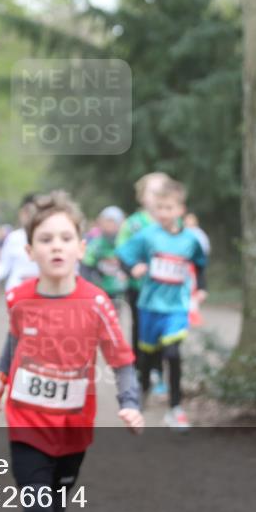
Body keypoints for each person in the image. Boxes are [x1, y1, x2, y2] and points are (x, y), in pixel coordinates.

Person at [0, 191, 144, 512]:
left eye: (66, 238)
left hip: (73, 428)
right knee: (35, 506)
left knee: (52, 508)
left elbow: (121, 360)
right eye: (46, 239)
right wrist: (0, 378)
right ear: (29, 249)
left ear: (81, 248)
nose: (57, 246)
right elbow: (15, 340)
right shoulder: (19, 298)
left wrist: (130, 403)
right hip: (26, 421)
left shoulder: (97, 303)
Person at [117, 178, 207, 431]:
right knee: (146, 358)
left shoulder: (191, 240)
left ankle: (175, 408)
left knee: (173, 354)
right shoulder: (147, 235)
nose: (164, 213)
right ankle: (141, 394)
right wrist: (133, 267)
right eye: (159, 208)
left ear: (181, 209)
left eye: (169, 208)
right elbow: (123, 254)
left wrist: (201, 288)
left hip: (176, 307)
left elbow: (200, 264)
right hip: (149, 306)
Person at [116, 173, 171, 392]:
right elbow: (122, 251)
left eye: (162, 191)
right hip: (140, 288)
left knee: (165, 331)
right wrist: (132, 268)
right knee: (141, 328)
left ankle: (158, 372)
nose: (158, 197)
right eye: (152, 191)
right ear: (141, 196)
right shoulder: (133, 224)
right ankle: (140, 371)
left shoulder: (171, 221)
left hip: (166, 289)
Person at [0, 193, 41, 292]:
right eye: (26, 212)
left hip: (43, 292)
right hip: (17, 290)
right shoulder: (14, 237)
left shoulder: (48, 237)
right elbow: (4, 264)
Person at [79, 205, 128, 304]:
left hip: (119, 289)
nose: (109, 225)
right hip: (101, 288)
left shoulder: (124, 243)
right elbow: (86, 265)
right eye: (107, 221)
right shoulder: (96, 244)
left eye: (112, 222)